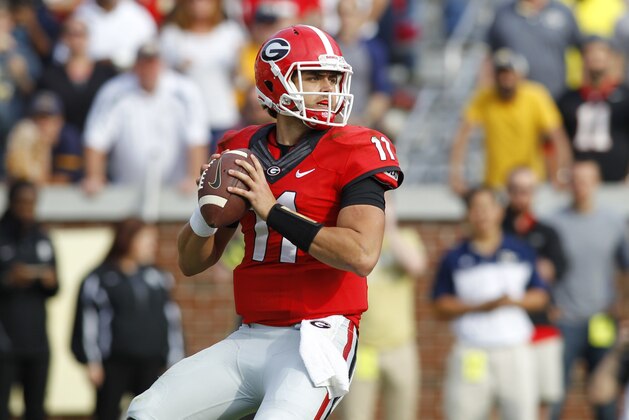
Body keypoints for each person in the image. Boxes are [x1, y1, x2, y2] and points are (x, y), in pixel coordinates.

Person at [127, 24, 403, 419]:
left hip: (319, 335)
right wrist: (206, 211)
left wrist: (272, 211)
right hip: (250, 333)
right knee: (147, 412)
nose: (329, 88)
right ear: (276, 82)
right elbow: (190, 263)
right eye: (314, 76)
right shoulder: (237, 149)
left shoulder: (357, 148)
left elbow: (361, 254)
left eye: (333, 77)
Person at [432, 186, 549, 420]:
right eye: (476, 208)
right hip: (472, 350)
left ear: (499, 212)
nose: (482, 214)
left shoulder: (521, 250)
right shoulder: (454, 257)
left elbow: (541, 296)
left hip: (514, 349)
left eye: (487, 207)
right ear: (468, 214)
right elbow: (440, 305)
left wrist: (512, 302)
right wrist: (480, 306)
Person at [71, 218, 184, 420]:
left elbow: (171, 319)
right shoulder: (100, 278)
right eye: (147, 240)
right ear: (128, 240)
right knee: (107, 412)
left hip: (151, 363)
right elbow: (88, 320)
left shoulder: (159, 278)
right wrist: (92, 361)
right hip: (114, 364)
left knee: (150, 414)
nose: (153, 246)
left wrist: (175, 358)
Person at [547, 160, 629, 420]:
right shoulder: (553, 222)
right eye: (575, 179)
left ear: (597, 183)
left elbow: (626, 268)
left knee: (605, 399)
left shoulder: (614, 222)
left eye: (586, 180)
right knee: (554, 397)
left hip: (602, 320)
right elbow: (543, 271)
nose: (580, 186)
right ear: (568, 183)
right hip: (564, 320)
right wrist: (549, 304)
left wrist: (622, 306)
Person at [338, 193, 426, 420]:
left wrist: (389, 230)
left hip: (400, 347)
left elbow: (416, 266)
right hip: (361, 348)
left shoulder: (406, 237)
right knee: (354, 415)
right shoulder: (353, 242)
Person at [81, 39, 208, 194]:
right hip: (124, 191)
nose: (148, 69)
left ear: (161, 64)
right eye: (143, 63)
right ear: (136, 65)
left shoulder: (185, 91)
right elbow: (96, 138)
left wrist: (193, 177)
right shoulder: (114, 91)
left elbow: (197, 138)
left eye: (153, 63)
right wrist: (94, 177)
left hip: (176, 190)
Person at [449, 48, 572, 194]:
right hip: (496, 182)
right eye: (501, 74)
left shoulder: (535, 96)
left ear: (520, 75)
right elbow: (462, 135)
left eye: (510, 73)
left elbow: (557, 137)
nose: (506, 79)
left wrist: (561, 174)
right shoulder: (485, 98)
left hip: (530, 182)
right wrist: (456, 174)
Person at [503, 167, 567, 419]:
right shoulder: (497, 231)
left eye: (527, 190)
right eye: (516, 190)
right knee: (506, 397)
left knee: (543, 396)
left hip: (539, 324)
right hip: (505, 327)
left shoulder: (546, 232)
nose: (521, 196)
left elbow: (557, 269)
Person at [0, 180, 58, 420]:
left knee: (36, 408)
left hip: (37, 340)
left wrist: (49, 281)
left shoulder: (42, 236)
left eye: (32, 203)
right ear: (11, 203)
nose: (27, 208)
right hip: (5, 342)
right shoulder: (2, 235)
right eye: (22, 202)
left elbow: (56, 287)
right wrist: (9, 279)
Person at [159, 0, 247, 152]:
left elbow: (241, 78)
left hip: (223, 116)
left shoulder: (231, 33)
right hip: (184, 120)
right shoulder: (171, 35)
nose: (199, 5)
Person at [557, 36, 629, 182]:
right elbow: (559, 141)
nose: (596, 57)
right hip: (578, 183)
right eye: (590, 52)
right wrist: (561, 172)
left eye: (601, 52)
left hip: (618, 181)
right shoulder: (568, 99)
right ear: (582, 59)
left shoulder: (625, 96)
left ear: (611, 58)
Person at [486, 0, 583, 99]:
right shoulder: (503, 14)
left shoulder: (562, 12)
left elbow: (583, 48)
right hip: (513, 100)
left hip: (557, 97)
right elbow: (488, 55)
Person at [38, 17, 117, 135]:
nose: (77, 40)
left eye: (81, 34)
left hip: (101, 138)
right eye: (72, 34)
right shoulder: (51, 76)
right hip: (64, 141)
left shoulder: (105, 73)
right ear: (64, 38)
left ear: (88, 37)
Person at [5, 90, 83, 184]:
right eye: (38, 118)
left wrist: (45, 150)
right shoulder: (27, 136)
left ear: (60, 121)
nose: (42, 124)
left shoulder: (69, 138)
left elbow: (64, 180)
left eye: (47, 119)